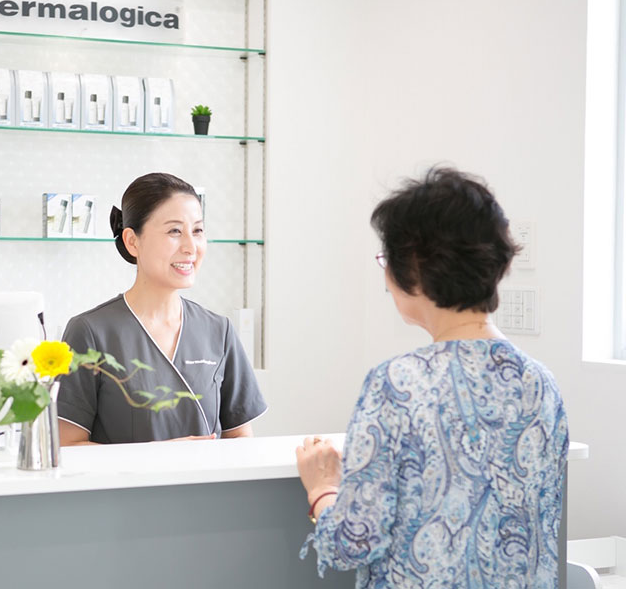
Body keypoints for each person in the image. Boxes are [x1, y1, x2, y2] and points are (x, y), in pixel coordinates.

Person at [296, 168, 569, 587]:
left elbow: (351, 544)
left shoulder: (397, 383)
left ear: (414, 268)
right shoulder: (541, 383)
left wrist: (322, 489)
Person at [57, 172, 268, 445]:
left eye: (198, 231)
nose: (191, 246)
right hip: (126, 489)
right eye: (174, 231)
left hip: (207, 488)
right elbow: (67, 446)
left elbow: (240, 439)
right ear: (133, 241)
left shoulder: (219, 330)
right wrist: (158, 456)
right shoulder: (90, 332)